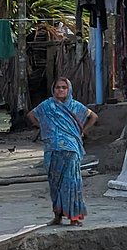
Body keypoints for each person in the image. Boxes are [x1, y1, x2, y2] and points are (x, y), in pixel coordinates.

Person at [27, 77, 98, 226]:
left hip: (70, 148)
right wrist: (44, 127)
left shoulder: (76, 106)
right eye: (58, 87)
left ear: (69, 90)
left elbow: (93, 117)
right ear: (53, 90)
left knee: (72, 182)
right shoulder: (47, 106)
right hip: (52, 149)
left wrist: (81, 132)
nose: (60, 90)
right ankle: (57, 216)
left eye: (63, 88)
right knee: (55, 183)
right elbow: (31, 115)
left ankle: (74, 217)